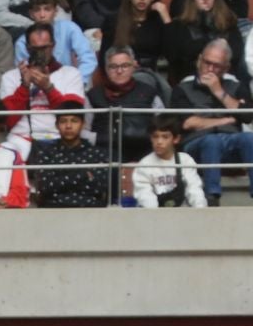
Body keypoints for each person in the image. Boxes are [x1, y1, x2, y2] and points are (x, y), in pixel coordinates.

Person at [170, 38, 253, 205]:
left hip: (231, 142)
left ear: (226, 68)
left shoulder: (235, 85)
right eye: (207, 62)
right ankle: (212, 196)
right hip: (196, 144)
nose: (210, 69)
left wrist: (218, 91)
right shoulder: (182, 88)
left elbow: (247, 116)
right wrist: (227, 119)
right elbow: (188, 123)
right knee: (212, 141)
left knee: (249, 139)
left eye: (217, 66)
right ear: (199, 60)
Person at [0, 19, 85, 155]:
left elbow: (73, 116)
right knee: (6, 151)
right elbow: (7, 121)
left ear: (53, 46)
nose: (40, 53)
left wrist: (48, 88)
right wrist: (24, 87)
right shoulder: (10, 77)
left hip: (60, 137)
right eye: (35, 49)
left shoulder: (71, 74)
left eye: (44, 48)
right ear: (27, 48)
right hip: (21, 140)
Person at [87, 46, 161, 195]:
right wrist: (101, 138)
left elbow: (163, 125)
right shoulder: (93, 95)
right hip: (106, 150)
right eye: (113, 66)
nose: (119, 71)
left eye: (125, 66)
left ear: (133, 66)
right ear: (106, 69)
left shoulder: (149, 92)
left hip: (145, 148)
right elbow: (83, 130)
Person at [26, 94, 103, 206]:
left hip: (88, 212)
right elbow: (45, 187)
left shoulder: (96, 153)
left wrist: (60, 180)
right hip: (54, 212)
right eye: (63, 121)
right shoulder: (46, 153)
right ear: (57, 125)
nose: (68, 126)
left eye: (74, 121)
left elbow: (99, 188)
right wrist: (83, 175)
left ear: (83, 124)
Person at [165, 0, 235, 86]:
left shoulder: (228, 22)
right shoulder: (179, 25)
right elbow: (174, 57)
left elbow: (236, 54)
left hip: (224, 78)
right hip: (189, 80)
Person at [132, 113, 205, 207]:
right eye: (155, 136)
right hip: (153, 217)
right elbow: (145, 196)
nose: (159, 142)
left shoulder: (185, 160)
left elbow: (194, 190)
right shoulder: (144, 165)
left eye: (165, 137)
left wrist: (201, 211)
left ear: (176, 139)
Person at [104, 0, 168, 78]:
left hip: (153, 75)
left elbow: (175, 55)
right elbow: (105, 57)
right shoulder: (114, 21)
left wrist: (166, 17)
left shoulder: (158, 21)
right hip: (121, 75)